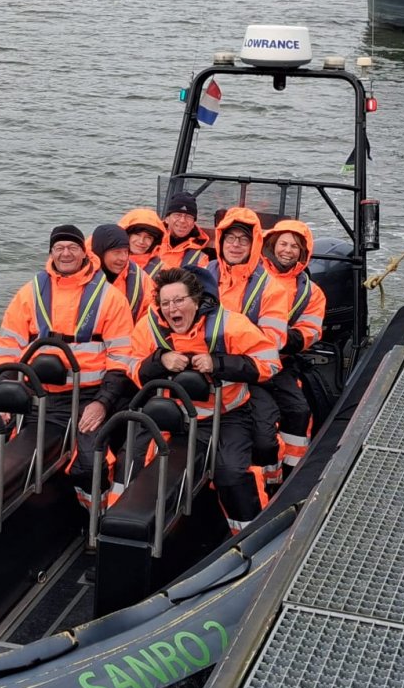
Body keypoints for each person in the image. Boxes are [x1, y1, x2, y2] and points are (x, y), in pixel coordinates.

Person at [130, 266, 280, 532]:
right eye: (165, 303)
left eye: (179, 300)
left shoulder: (231, 325)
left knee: (232, 474)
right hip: (172, 418)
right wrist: (160, 360)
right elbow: (132, 368)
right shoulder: (148, 328)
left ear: (196, 301)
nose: (172, 308)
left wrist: (218, 363)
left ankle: (250, 535)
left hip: (227, 415)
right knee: (133, 462)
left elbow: (270, 364)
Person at [0, 223, 135, 475]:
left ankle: (95, 499)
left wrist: (102, 402)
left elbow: (121, 358)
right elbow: (7, 348)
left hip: (87, 397)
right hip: (33, 391)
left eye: (72, 247)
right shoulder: (28, 293)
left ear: (84, 253)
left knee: (91, 464)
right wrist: (6, 391)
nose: (65, 253)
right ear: (51, 253)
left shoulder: (111, 298)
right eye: (59, 248)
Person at [211, 206, 293, 480]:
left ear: (254, 244)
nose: (235, 245)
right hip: (201, 370)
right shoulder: (200, 276)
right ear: (220, 241)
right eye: (230, 238)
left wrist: (224, 355)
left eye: (243, 240)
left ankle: (270, 482)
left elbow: (272, 341)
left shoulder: (272, 288)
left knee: (263, 439)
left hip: (252, 376)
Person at [261, 220, 325, 481]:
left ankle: (290, 476)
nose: (287, 250)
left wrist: (277, 339)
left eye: (294, 246)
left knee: (298, 410)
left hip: (281, 361)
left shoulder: (311, 293)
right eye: (283, 244)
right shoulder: (252, 276)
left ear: (303, 252)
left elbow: (311, 331)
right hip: (242, 360)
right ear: (271, 245)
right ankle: (267, 474)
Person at [89, 222, 152, 322]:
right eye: (117, 252)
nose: (123, 258)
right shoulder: (78, 276)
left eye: (126, 251)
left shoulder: (143, 281)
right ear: (100, 252)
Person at [160, 191, 211, 270]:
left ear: (193, 224)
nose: (182, 220)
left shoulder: (200, 259)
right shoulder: (149, 243)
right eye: (177, 215)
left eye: (188, 217)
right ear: (167, 219)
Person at [118, 208, 168, 272]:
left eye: (148, 237)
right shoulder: (109, 260)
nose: (141, 241)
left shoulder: (163, 270)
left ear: (154, 242)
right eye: (137, 234)